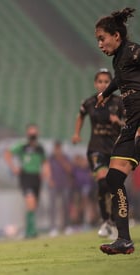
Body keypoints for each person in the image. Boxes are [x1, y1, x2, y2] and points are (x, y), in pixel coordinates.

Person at [95, 7, 140, 254]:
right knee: (113, 178)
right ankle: (124, 239)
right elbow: (120, 77)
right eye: (98, 40)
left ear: (117, 36)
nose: (100, 44)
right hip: (131, 123)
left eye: (102, 38)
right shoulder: (118, 59)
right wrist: (107, 92)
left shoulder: (135, 51)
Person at [71, 68, 124, 239]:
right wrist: (76, 133)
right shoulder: (89, 102)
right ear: (95, 83)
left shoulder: (120, 102)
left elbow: (131, 122)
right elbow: (80, 116)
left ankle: (116, 222)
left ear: (111, 84)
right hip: (96, 148)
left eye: (106, 81)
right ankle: (105, 221)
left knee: (114, 186)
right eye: (100, 81)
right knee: (102, 183)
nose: (103, 84)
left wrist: (119, 122)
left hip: (115, 150)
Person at [4, 124, 48, 238]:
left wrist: (46, 173)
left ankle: (29, 230)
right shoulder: (22, 146)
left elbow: (45, 162)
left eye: (34, 133)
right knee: (30, 200)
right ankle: (31, 231)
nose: (33, 135)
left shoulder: (40, 148)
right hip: (25, 176)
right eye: (31, 133)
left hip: (36, 177)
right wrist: (13, 168)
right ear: (27, 133)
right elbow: (8, 153)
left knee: (33, 205)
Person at [46, 141, 73, 237]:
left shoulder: (65, 158)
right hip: (54, 184)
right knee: (52, 207)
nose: (57, 150)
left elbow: (69, 169)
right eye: (56, 148)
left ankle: (67, 226)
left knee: (66, 206)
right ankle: (53, 228)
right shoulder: (50, 158)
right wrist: (49, 179)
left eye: (59, 148)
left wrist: (61, 160)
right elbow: (47, 169)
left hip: (65, 184)